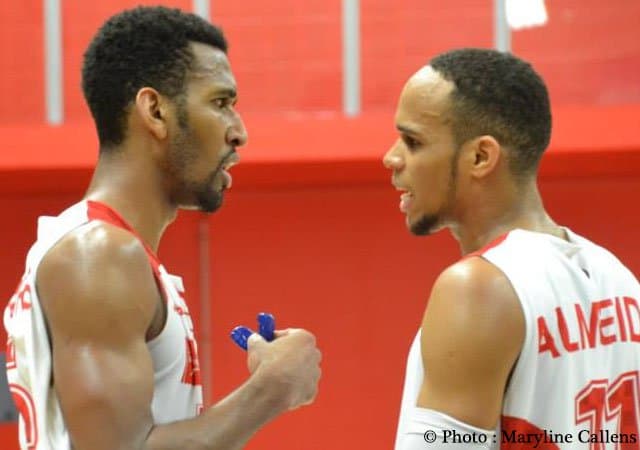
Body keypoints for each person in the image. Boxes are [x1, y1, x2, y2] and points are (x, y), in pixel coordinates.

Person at [3, 6, 321, 450]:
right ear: (155, 111)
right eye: (221, 103)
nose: (239, 132)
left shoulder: (109, 252)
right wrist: (272, 389)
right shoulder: (98, 255)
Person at [384, 48, 640, 449]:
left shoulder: (477, 288)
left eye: (413, 141)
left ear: (481, 156)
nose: (391, 158)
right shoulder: (618, 278)